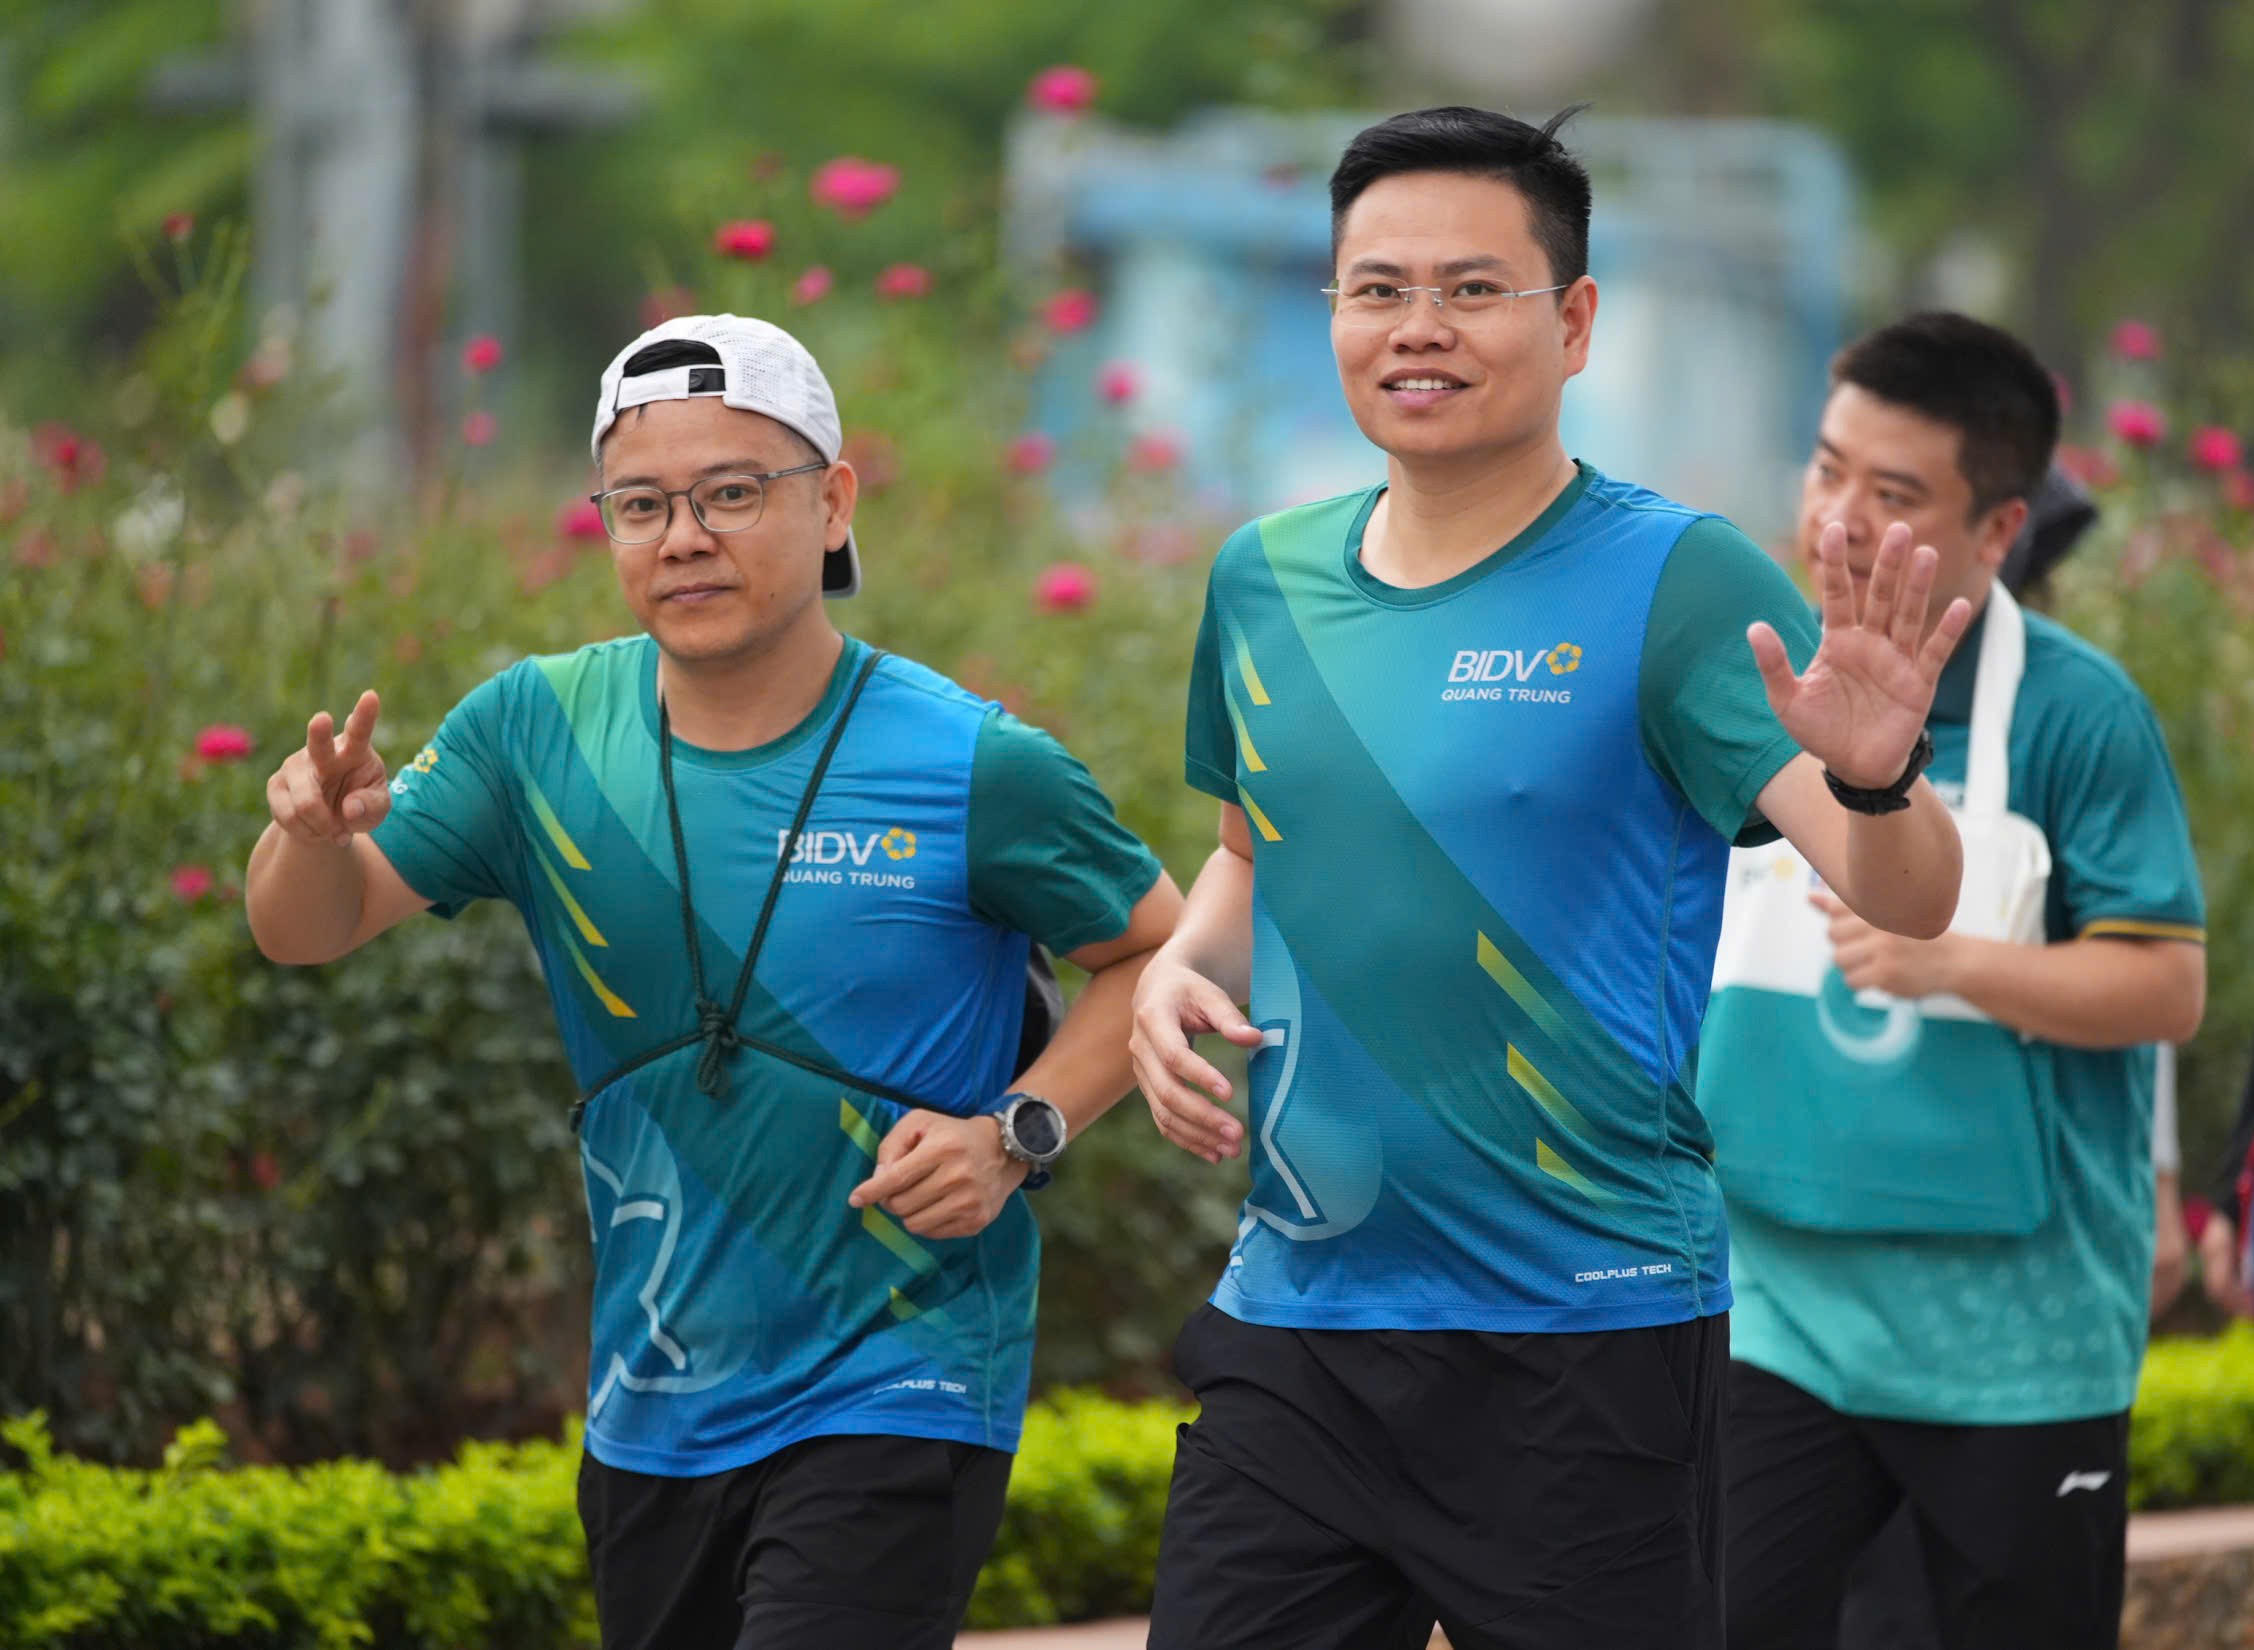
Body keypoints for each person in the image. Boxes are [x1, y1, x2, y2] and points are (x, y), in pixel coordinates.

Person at [1126, 105, 1972, 1650]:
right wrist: (1179, 970)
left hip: (1582, 1333)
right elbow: (1253, 853)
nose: (1417, 327)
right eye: (1377, 289)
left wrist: (1876, 772)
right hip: (1299, 1321)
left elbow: (1901, 891)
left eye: (1471, 288)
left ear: (1572, 320)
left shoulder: (1675, 578)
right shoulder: (1263, 578)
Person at [244, 313, 1180, 1650]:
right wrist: (308, 834)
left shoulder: (972, 763)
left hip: (900, 1372)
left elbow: (1159, 951)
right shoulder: (537, 734)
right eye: (641, 505)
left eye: (731, 493)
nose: (682, 537)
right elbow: (306, 929)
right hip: (656, 1400)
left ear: (832, 501)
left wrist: (1016, 1132)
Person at [1702, 312, 2206, 1650]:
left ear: (1999, 528)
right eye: (1826, 469)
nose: (1838, 517)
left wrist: (1953, 961)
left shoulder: (2078, 714)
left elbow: (2166, 989)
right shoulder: (1753, 684)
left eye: (1893, 494)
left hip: (2017, 1343)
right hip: (1777, 1313)